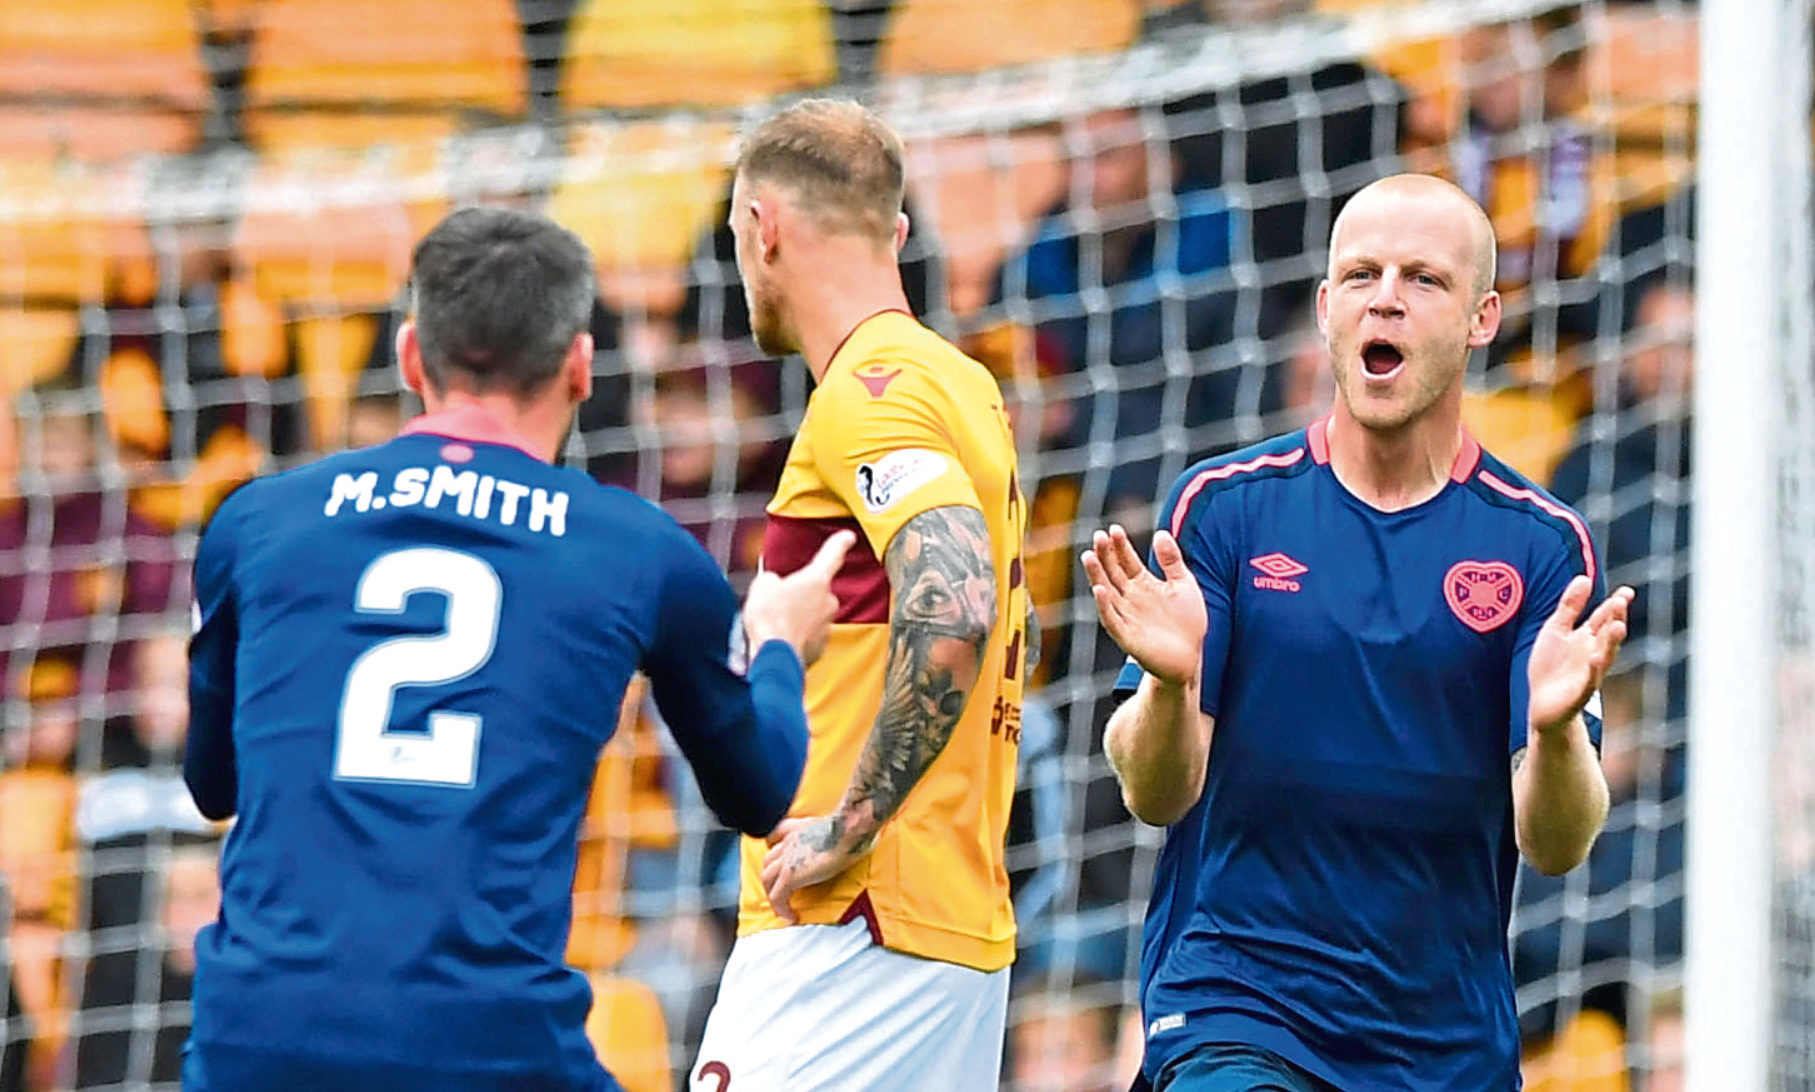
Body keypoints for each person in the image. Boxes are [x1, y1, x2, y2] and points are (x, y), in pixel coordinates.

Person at [182, 205, 853, 1092]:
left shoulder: (256, 520)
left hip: (250, 1044)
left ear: (411, 355)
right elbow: (762, 793)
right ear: (580, 366)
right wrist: (778, 644)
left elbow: (211, 785)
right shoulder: (637, 551)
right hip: (485, 1047)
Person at [1081, 173, 1635, 1091]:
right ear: (1326, 306)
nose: (1386, 295)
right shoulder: (1222, 511)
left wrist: (1551, 733)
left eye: (1423, 278)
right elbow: (1153, 795)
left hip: (1440, 1040)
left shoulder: (1541, 546)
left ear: (1482, 319)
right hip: (1240, 1001)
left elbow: (1555, 844)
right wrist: (1172, 687)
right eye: (1361, 273)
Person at [689, 98, 1031, 1091]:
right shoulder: (962, 386)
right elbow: (1019, 626)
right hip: (947, 928)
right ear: (899, 234)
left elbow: (960, 604)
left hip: (850, 924)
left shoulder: (868, 394)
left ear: (763, 227)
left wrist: (852, 818)